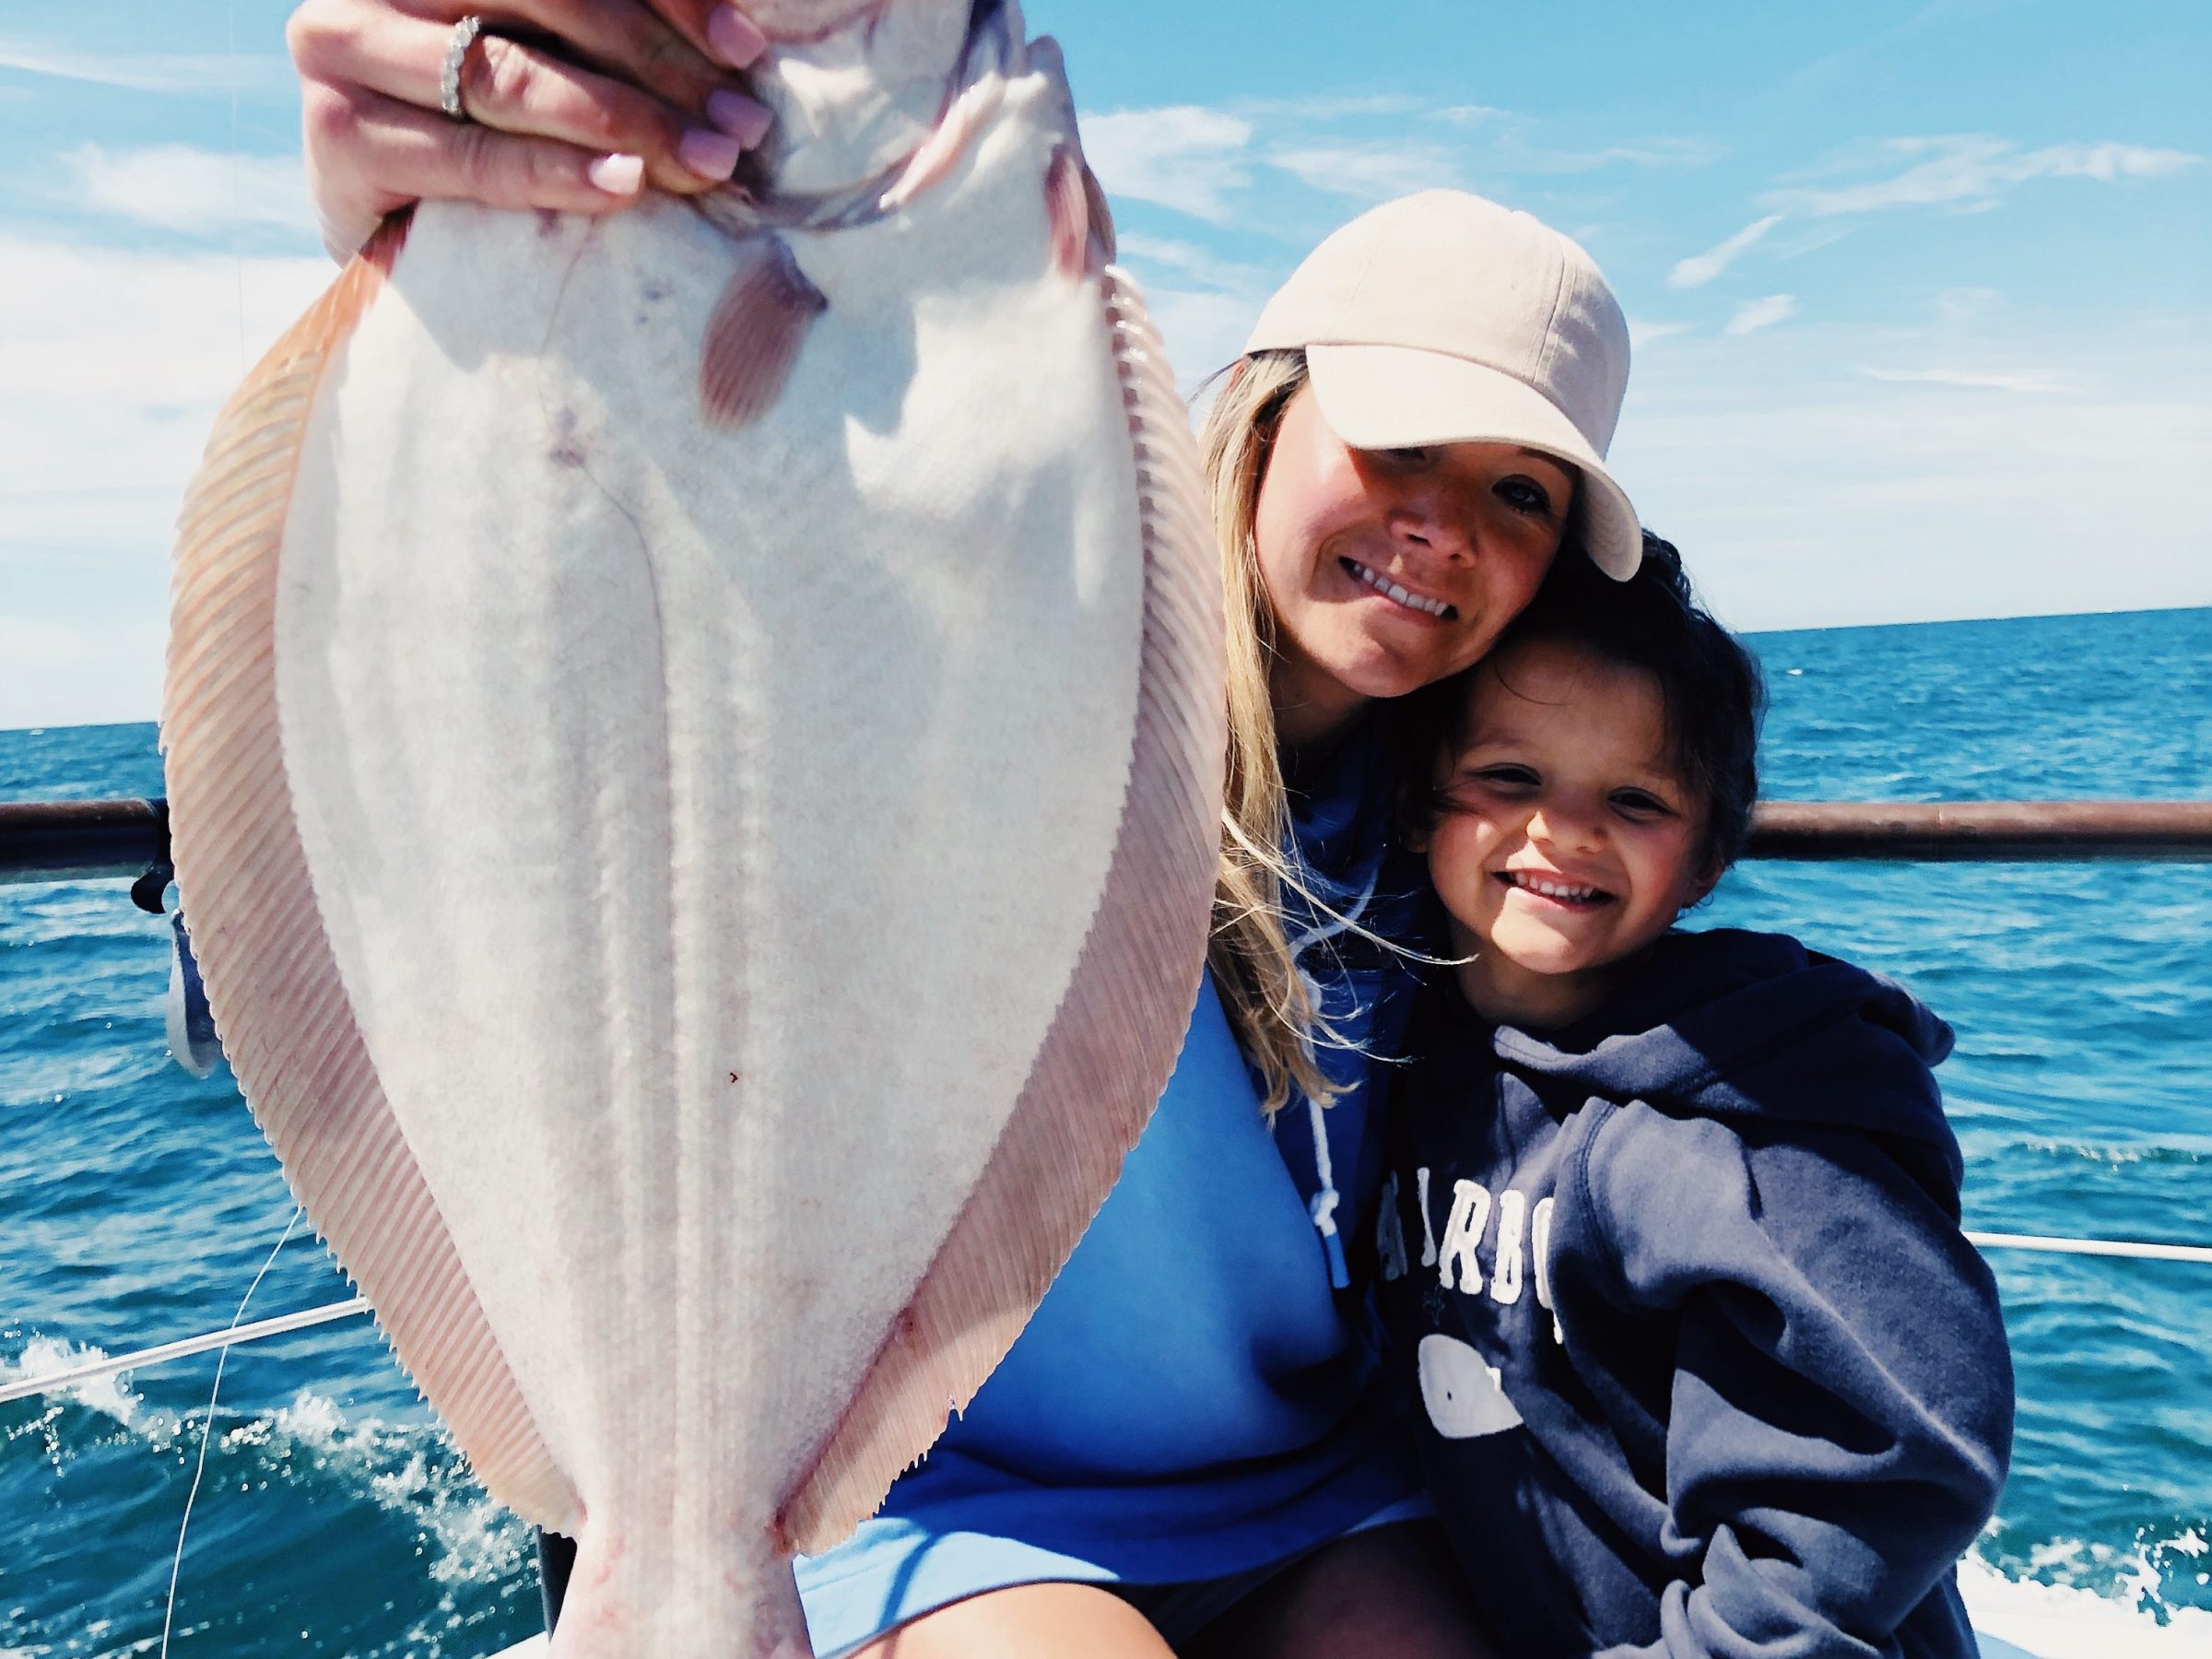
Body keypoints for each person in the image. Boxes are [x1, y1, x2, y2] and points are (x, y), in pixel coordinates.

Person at [282, 10, 1643, 1653]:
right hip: (924, 1495)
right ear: (1264, 419)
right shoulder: (1010, 643)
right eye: (1402, 444)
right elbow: (617, 713)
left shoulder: (1477, 826)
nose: (1443, 524)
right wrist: (472, 290)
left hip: (1311, 1469)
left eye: (1524, 496)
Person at [1379, 538, 2015, 1657]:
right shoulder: (1396, 1051)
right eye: (1512, 778)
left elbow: (1877, 1469)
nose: (1564, 829)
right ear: (1419, 798)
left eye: (1634, 798)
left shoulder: (1752, 1112)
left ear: (1709, 858)